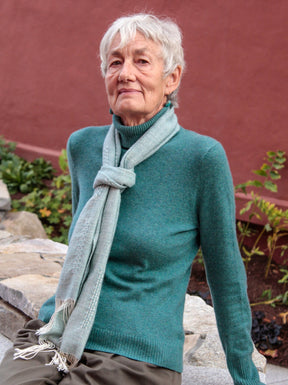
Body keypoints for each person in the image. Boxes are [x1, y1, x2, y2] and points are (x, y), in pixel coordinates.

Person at [0, 13, 264, 385]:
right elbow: (83, 248)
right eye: (115, 62)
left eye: (142, 61)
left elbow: (227, 277)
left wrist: (244, 374)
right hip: (55, 335)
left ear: (171, 78)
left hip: (138, 356)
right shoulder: (83, 147)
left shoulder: (200, 158)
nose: (125, 73)